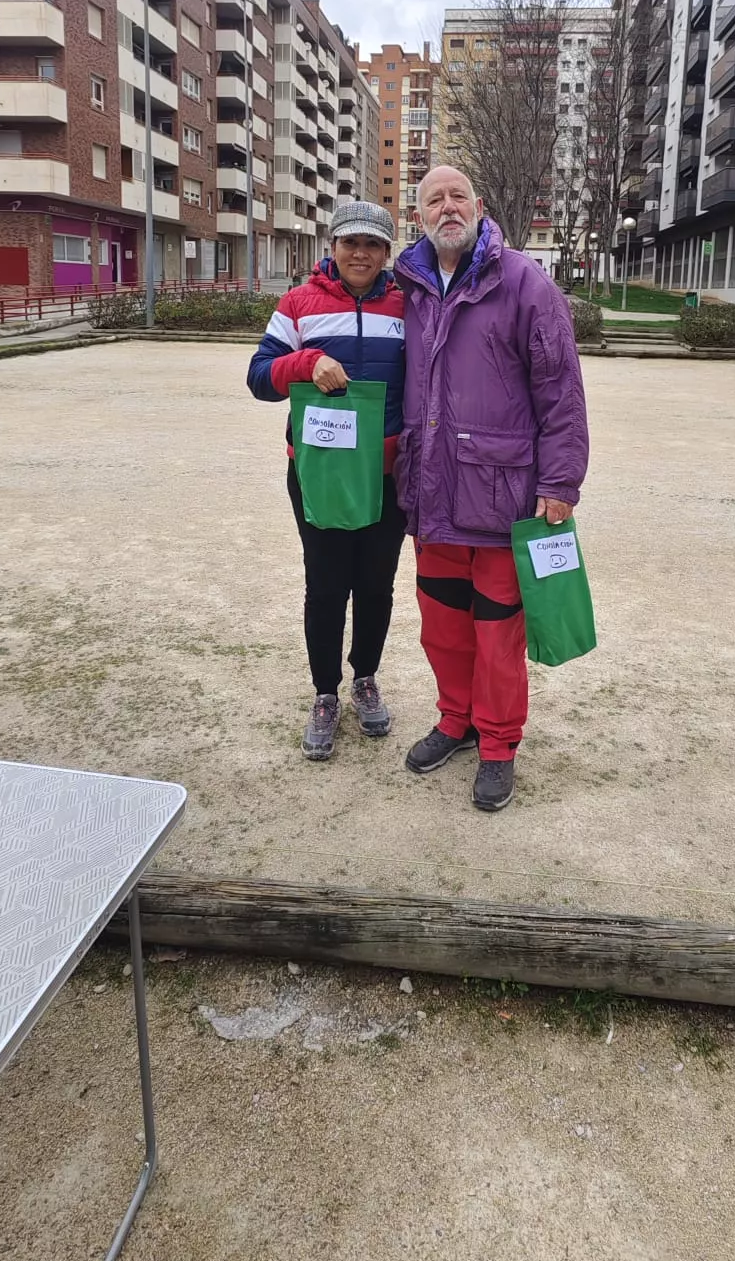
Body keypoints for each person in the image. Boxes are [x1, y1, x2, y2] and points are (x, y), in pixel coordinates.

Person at [394, 167, 589, 812]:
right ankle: (457, 720)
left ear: (479, 207)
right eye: (434, 200)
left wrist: (560, 482)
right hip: (434, 496)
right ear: (418, 216)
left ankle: (499, 744)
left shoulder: (525, 284)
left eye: (458, 197)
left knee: (498, 635)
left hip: (504, 501)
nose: (447, 208)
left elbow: (561, 392)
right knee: (443, 627)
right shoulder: (410, 286)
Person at [247, 201, 406, 761]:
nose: (360, 254)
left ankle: (365, 678)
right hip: (318, 472)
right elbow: (259, 377)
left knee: (377, 584)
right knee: (326, 585)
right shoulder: (298, 304)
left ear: (386, 252)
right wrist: (305, 361)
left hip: (387, 474)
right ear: (332, 247)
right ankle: (325, 693)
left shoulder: (407, 306)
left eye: (372, 244)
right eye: (350, 242)